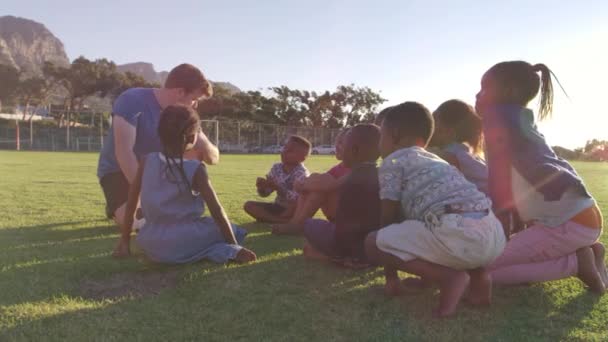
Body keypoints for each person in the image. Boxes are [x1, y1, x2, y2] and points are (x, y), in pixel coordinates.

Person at [364, 102, 506, 317]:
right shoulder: (438, 160)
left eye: (380, 136)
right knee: (436, 224)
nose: (379, 144)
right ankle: (480, 282)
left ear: (394, 135)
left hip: (456, 234)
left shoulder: (393, 162)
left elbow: (388, 217)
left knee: (374, 242)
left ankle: (448, 278)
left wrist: (391, 277)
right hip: (493, 234)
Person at [475, 61, 607, 292]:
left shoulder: (497, 117)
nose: (478, 95)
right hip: (583, 218)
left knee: (481, 270)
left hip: (566, 224)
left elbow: (500, 184)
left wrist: (500, 229)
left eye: (485, 88)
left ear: (510, 91)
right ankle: (591, 251)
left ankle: (575, 263)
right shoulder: (522, 120)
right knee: (494, 262)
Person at [112, 105, 256, 264]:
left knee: (205, 232)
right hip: (185, 238)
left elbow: (132, 199)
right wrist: (233, 244)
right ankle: (226, 251)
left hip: (150, 241)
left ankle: (202, 252)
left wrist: (125, 240)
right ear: (191, 138)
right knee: (231, 228)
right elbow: (217, 210)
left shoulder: (147, 161)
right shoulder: (196, 169)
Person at [97, 63, 220, 230]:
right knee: (135, 222)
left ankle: (181, 205)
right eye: (194, 99)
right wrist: (151, 196)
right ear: (180, 92)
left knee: (194, 153)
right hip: (119, 171)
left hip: (157, 170)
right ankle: (118, 205)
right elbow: (124, 153)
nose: (195, 106)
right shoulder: (132, 100)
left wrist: (203, 143)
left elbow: (213, 158)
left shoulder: (183, 115)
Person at [302, 124, 381, 267]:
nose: (338, 149)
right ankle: (356, 257)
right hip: (374, 244)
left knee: (308, 224)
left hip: (346, 245)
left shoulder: (350, 179)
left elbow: (345, 225)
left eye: (343, 145)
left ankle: (338, 257)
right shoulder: (383, 175)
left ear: (354, 150)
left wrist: (339, 252)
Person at [271, 129, 351, 235]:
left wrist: (305, 185)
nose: (336, 146)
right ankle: (295, 222)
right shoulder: (337, 169)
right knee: (314, 181)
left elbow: (330, 185)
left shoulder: (359, 170)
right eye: (336, 142)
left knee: (319, 188)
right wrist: (304, 185)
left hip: (348, 217)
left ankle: (299, 225)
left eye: (341, 143)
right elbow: (320, 180)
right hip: (335, 215)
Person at [244, 136, 310, 223]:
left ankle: (273, 219)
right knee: (248, 205)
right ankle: (281, 221)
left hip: (293, 208)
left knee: (292, 207)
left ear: (302, 158)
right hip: (278, 206)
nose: (284, 152)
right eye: (285, 148)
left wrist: (278, 188)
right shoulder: (276, 168)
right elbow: (265, 194)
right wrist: (262, 188)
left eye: (290, 151)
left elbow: (296, 199)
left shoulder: (301, 173)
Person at [429, 99, 488, 194]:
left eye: (433, 123)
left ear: (447, 131)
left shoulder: (455, 155)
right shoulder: (466, 153)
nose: (429, 130)